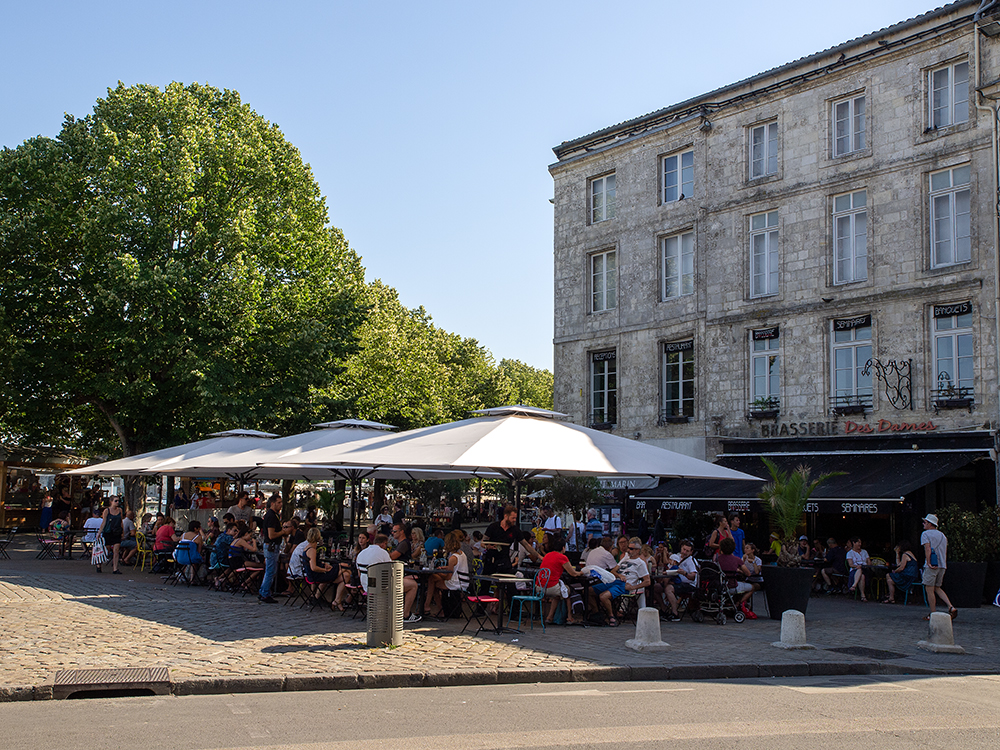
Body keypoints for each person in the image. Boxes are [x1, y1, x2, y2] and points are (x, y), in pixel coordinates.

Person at [358, 533, 421, 622]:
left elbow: (359, 574)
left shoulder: (361, 553)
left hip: (367, 586)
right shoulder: (383, 553)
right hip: (381, 586)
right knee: (413, 585)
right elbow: (391, 573)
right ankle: (405, 614)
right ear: (383, 544)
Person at [538, 534, 582, 625]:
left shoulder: (547, 555)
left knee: (557, 596)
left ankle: (549, 617)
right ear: (563, 548)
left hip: (539, 586)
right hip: (551, 587)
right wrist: (581, 572)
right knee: (567, 591)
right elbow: (573, 573)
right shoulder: (562, 557)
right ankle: (570, 617)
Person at [300, 527, 347, 611]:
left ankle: (337, 600)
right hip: (317, 576)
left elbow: (314, 563)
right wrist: (325, 570)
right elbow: (314, 567)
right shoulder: (312, 550)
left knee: (346, 575)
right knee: (344, 567)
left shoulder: (308, 547)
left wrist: (324, 564)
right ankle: (337, 601)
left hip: (314, 574)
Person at [921, 513, 957, 620]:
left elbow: (927, 548)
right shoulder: (942, 535)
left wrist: (928, 562)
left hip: (932, 566)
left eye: (925, 522)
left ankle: (933, 614)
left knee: (929, 589)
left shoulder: (925, 534)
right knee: (937, 587)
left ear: (930, 524)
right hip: (942, 565)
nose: (923, 524)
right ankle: (951, 606)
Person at [259, 494, 292, 604]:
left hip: (272, 546)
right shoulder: (271, 516)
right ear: (272, 503)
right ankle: (264, 592)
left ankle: (264, 591)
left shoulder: (274, 515)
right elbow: (271, 535)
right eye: (278, 502)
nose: (280, 505)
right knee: (270, 570)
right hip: (271, 546)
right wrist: (283, 532)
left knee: (270, 570)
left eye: (281, 502)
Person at [715, 537, 758, 618]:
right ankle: (738, 603)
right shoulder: (737, 559)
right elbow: (748, 573)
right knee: (752, 587)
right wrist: (739, 571)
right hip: (732, 586)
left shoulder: (717, 559)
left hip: (720, 586)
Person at [663, 540, 700, 622]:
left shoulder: (690, 561)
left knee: (668, 588)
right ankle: (664, 609)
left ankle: (675, 613)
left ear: (691, 552)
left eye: (687, 551)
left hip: (689, 585)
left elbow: (693, 577)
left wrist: (685, 573)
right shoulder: (677, 557)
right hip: (676, 581)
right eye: (683, 549)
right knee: (657, 587)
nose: (684, 552)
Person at [883, 539, 920, 604]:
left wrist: (894, 571)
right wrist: (897, 554)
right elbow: (899, 564)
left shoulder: (905, 555)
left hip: (907, 576)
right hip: (912, 575)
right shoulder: (909, 553)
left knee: (888, 575)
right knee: (890, 580)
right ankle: (891, 598)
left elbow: (901, 568)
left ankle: (891, 597)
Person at [96, 496, 125, 574]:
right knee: (106, 551)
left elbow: (121, 521)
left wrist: (122, 532)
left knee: (116, 550)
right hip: (108, 532)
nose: (117, 502)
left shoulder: (120, 510)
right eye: (116, 501)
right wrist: (99, 532)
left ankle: (115, 568)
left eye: (118, 501)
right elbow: (104, 522)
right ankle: (99, 564)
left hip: (117, 532)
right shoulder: (107, 511)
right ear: (111, 501)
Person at [845, 536, 870, 602]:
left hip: (865, 569)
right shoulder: (850, 553)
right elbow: (850, 564)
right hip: (855, 570)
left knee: (861, 571)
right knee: (861, 575)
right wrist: (856, 566)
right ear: (854, 543)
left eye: (860, 542)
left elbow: (869, 563)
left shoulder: (864, 552)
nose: (860, 544)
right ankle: (863, 595)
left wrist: (866, 565)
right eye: (858, 542)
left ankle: (854, 585)